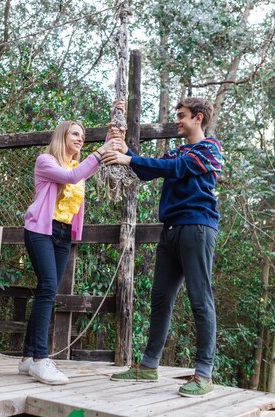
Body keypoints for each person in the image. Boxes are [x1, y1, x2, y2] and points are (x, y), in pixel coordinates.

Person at [103, 97, 224, 398]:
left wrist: (128, 159)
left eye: (181, 116)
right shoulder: (178, 150)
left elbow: (176, 168)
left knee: (200, 299)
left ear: (198, 118)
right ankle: (148, 366)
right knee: (160, 297)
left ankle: (205, 374)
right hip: (170, 230)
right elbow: (149, 170)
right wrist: (123, 148)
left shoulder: (210, 149)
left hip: (197, 227)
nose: (177, 121)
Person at [19, 104, 125, 385]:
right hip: (41, 231)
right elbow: (70, 178)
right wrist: (100, 150)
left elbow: (91, 164)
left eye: (83, 135)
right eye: (75, 134)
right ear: (62, 137)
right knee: (47, 288)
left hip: (64, 234)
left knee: (47, 289)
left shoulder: (78, 166)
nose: (80, 139)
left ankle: (28, 357)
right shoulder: (46, 161)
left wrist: (112, 128)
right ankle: (41, 359)